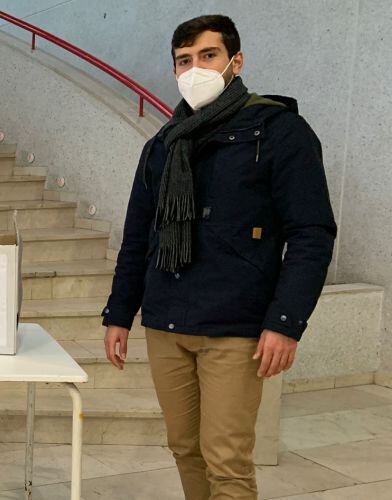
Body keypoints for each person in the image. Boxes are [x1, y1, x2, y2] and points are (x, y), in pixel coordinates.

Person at [102, 15, 337, 500]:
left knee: (226, 458)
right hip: (167, 320)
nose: (195, 69)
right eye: (183, 61)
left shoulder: (279, 131)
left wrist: (286, 321)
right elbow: (137, 237)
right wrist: (119, 314)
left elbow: (311, 233)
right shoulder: (162, 146)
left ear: (235, 61)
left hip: (236, 326)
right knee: (185, 447)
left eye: (207, 56)